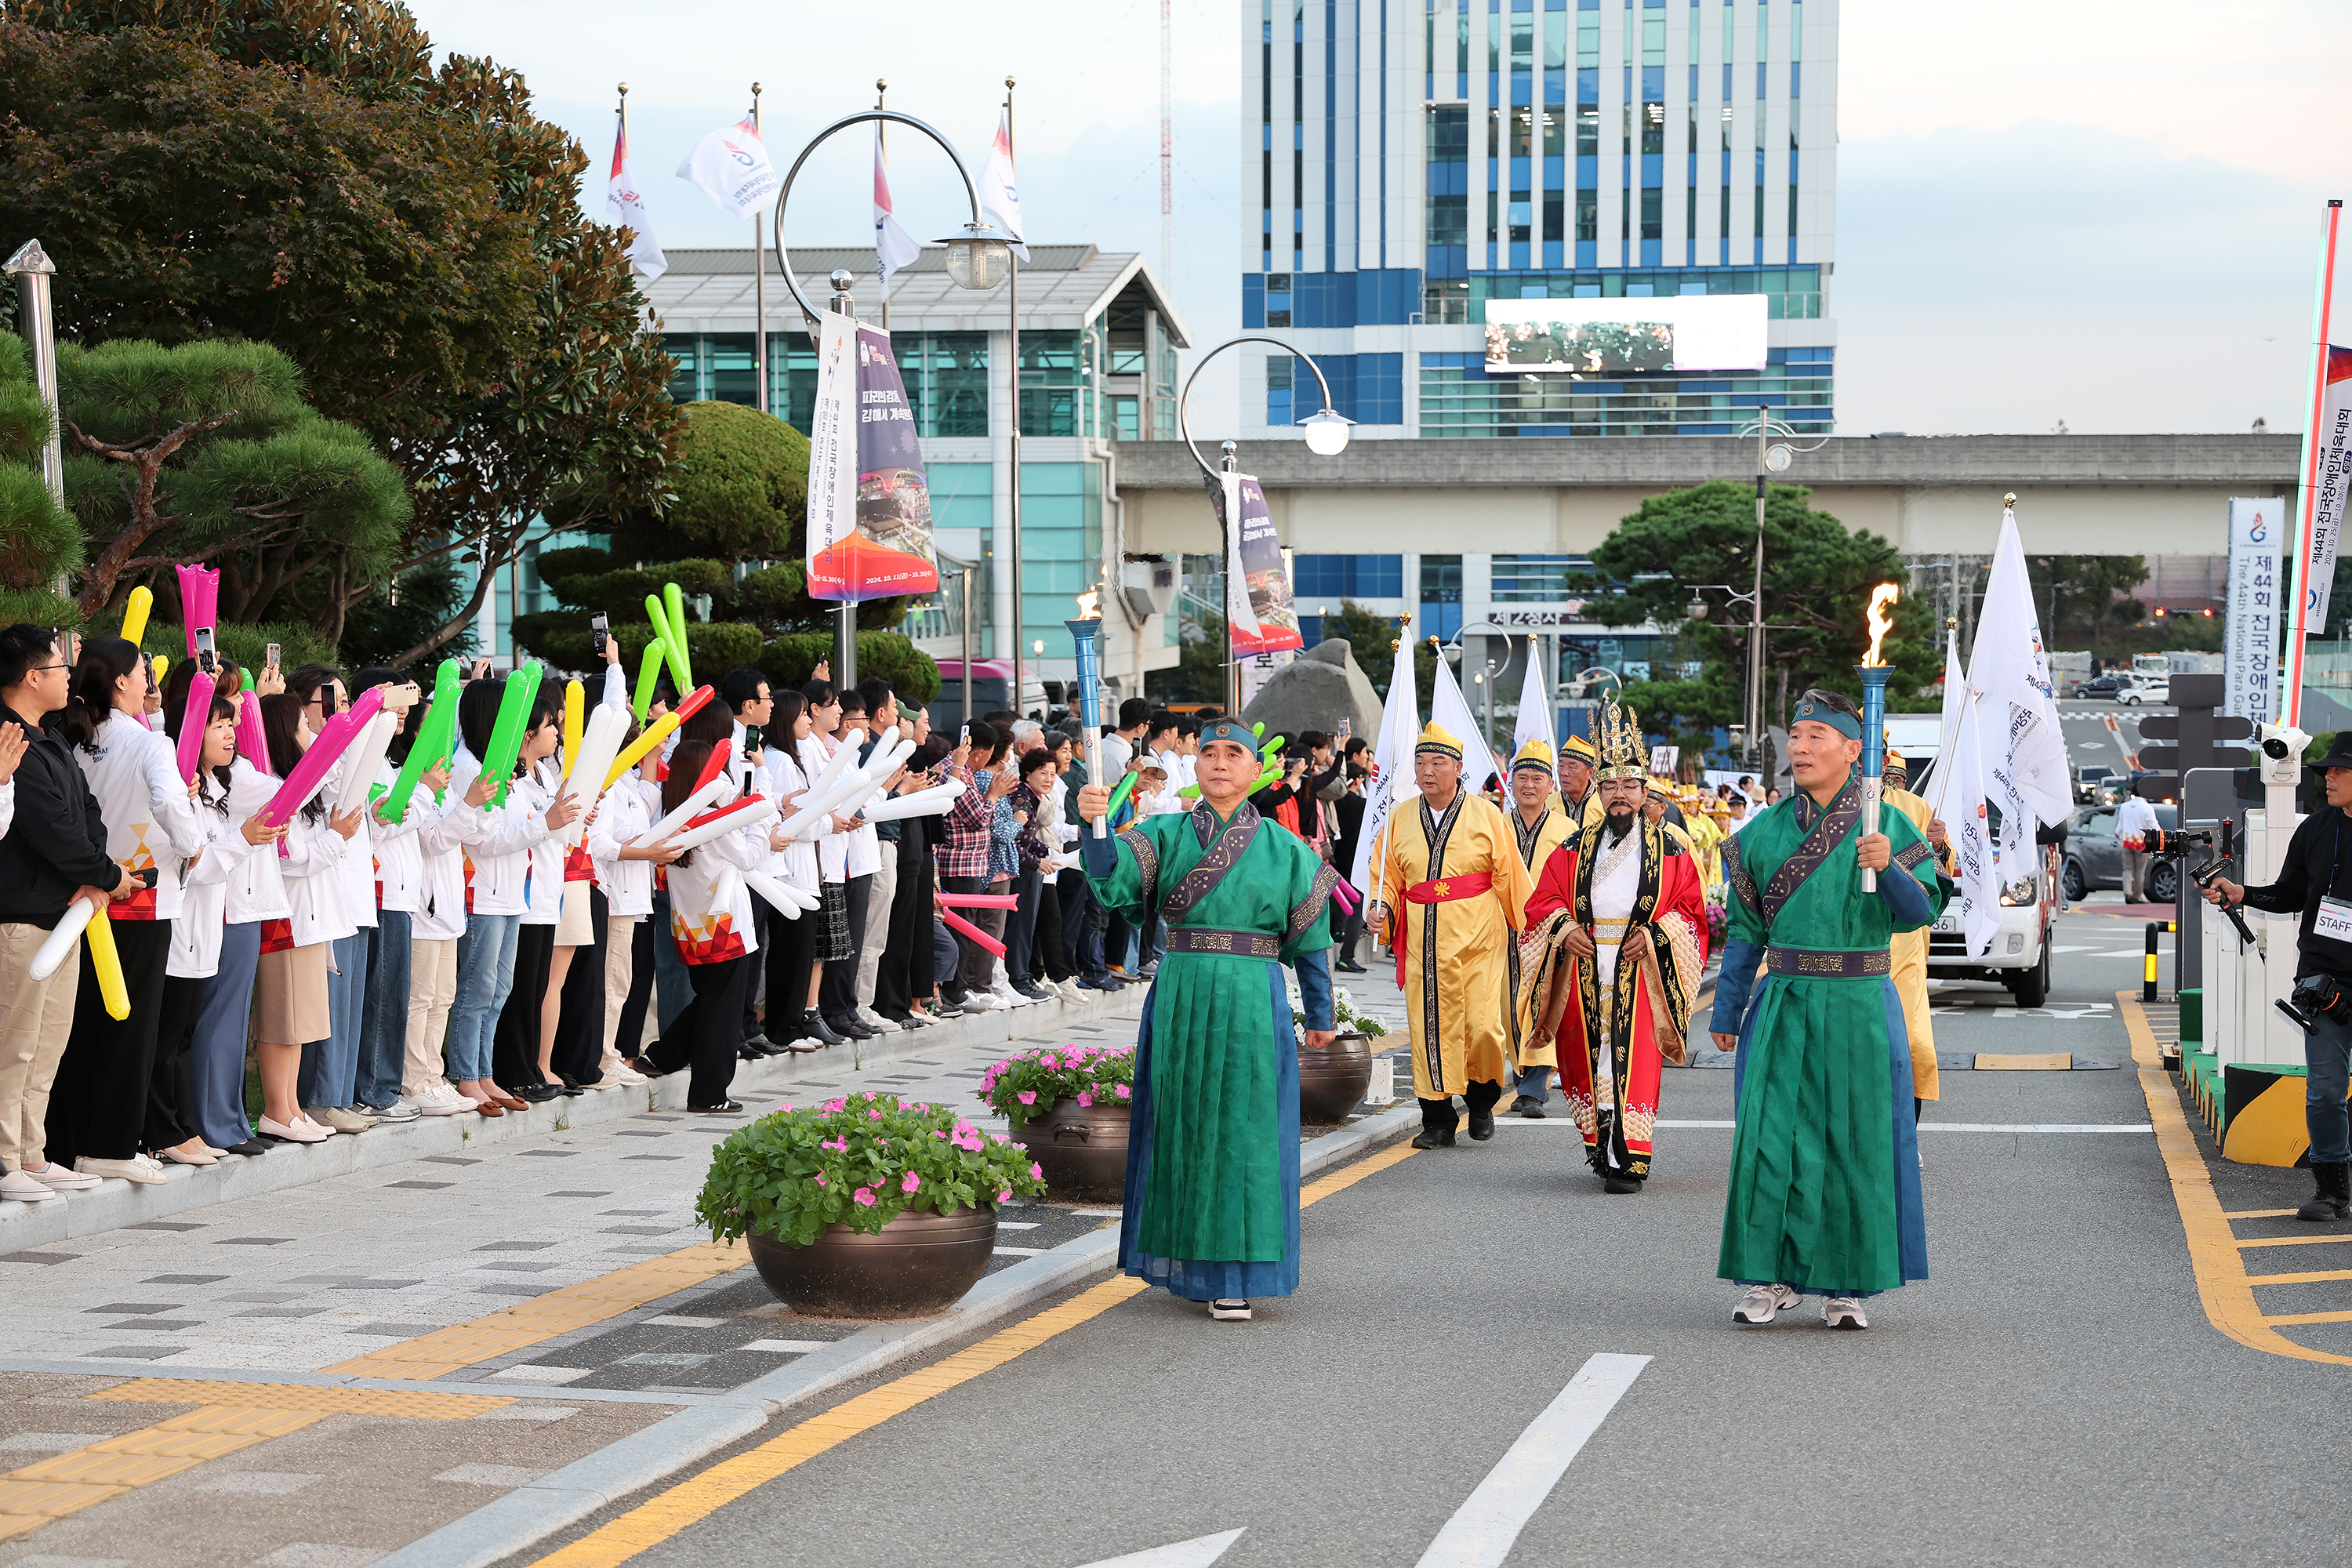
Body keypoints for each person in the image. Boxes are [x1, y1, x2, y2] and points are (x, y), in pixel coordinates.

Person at [1076, 717, 1340, 1321]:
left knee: (1245, 1132)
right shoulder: (1163, 833)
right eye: (1210, 753)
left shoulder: (1285, 847)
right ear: (1195, 767)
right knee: (1183, 1122)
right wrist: (1093, 821)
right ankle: (1192, 1262)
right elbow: (1111, 880)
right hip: (1182, 990)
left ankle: (1237, 1275)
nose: (1220, 762)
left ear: (1255, 770)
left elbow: (1312, 937)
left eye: (1234, 754)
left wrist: (1320, 1011)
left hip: (1253, 995)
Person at [1708, 689, 1944, 1330]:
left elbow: (1922, 912)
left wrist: (1889, 868)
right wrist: (1727, 1010)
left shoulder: (1890, 825)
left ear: (1853, 748)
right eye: (1796, 734)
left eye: (1817, 735)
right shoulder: (1758, 832)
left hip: (1861, 1001)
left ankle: (1848, 1284)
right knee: (1770, 1139)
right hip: (1782, 999)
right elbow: (1743, 930)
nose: (1801, 746)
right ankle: (1768, 1277)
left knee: (1854, 1140)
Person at [1518, 702, 1709, 1190]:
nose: (1619, 796)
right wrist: (1563, 928)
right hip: (1585, 964)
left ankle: (1632, 1157)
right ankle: (1600, 1148)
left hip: (1641, 967)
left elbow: (1690, 910)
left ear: (1645, 792)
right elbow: (1542, 901)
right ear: (1599, 793)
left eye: (1628, 786)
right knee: (1588, 1057)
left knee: (1633, 1059)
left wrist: (1655, 934)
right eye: (1610, 787)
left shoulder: (1671, 850)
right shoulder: (1573, 847)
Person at [46, 636, 207, 1182]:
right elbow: (167, 801)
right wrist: (192, 843)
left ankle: (65, 1145)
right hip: (138, 899)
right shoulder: (148, 745)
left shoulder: (70, 740)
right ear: (120, 682)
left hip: (81, 901)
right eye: (143, 674)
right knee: (130, 1028)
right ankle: (111, 1147)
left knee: (79, 1028)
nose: (149, 684)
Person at [2201, 735, 2352, 1223]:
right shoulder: (2315, 830)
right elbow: (2290, 894)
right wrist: (2239, 892)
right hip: (2324, 983)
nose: (2326, 777)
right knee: (2326, 1090)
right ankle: (2332, 1190)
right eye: (2326, 770)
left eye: (2338, 771)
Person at [0, 626, 126, 1203]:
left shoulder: (47, 737)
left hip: (65, 912)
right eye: (58, 668)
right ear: (32, 678)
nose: (68, 677)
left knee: (48, 1042)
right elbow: (49, 829)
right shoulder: (10, 741)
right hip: (24, 914)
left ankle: (33, 1152)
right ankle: (6, 1162)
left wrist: (93, 871)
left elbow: (89, 811)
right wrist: (103, 876)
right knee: (15, 1043)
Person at [1365, 723, 1534, 1149]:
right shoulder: (1400, 817)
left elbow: (1509, 874)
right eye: (1421, 762)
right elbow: (1387, 875)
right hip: (1423, 940)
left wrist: (1531, 927)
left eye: (1438, 762)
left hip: (1479, 939)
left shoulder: (1486, 814)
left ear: (1457, 768)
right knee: (1428, 1030)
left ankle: (1480, 1103)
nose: (1428, 771)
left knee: (1482, 1027)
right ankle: (1437, 1120)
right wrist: (1381, 906)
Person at [1500, 739, 1575, 1118]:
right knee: (1505, 1002)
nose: (1529, 785)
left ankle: (1533, 1087)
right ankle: (1514, 1074)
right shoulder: (1496, 825)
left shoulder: (1569, 829)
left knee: (1541, 1001)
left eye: (1538, 778)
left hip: (1549, 931)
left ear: (1551, 786)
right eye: (1522, 777)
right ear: (1511, 782)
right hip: (1501, 929)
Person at [1882, 748, 1951, 1116]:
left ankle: (1905, 1135)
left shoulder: (1916, 808)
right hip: (1841, 944)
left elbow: (1934, 878)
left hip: (1903, 942)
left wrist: (1938, 846)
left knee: (1910, 1042)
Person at [2115, 787, 2159, 904]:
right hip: (2141, 843)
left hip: (2127, 841)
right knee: (2140, 870)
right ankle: (2137, 894)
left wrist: (2117, 833)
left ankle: (2127, 892)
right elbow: (2154, 826)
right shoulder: (2147, 808)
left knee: (2127, 868)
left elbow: (2120, 824)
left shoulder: (2125, 806)